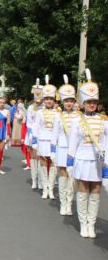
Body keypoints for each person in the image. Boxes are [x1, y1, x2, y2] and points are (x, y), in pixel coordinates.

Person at [68, 69, 107, 238]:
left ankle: (92, 223)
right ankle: (83, 223)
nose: (91, 104)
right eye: (88, 101)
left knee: (96, 191)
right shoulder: (77, 120)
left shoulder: (103, 121)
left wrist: (106, 167)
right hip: (82, 160)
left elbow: (106, 144)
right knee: (83, 190)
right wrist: (70, 162)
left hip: (97, 162)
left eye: (94, 101)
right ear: (83, 103)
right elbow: (73, 143)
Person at [50, 75, 80, 216]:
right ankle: (63, 203)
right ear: (62, 102)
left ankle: (69, 202)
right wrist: (53, 151)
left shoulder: (79, 117)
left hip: (75, 151)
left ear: (74, 102)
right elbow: (54, 135)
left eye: (71, 101)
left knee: (72, 177)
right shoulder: (58, 116)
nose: (69, 103)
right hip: (62, 149)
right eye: (66, 101)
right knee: (63, 175)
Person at [32, 75, 59, 199]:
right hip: (42, 140)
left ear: (54, 100)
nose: (49, 101)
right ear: (43, 100)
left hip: (54, 141)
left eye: (51, 99)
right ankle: (44, 188)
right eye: (47, 98)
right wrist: (34, 141)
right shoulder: (39, 112)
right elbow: (35, 127)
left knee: (53, 164)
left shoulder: (58, 113)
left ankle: (51, 188)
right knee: (43, 163)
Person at [26, 79, 44, 189]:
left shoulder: (45, 108)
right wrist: (32, 135)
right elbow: (29, 122)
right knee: (33, 157)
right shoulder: (31, 107)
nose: (38, 101)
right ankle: (34, 180)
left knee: (41, 158)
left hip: (42, 136)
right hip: (31, 134)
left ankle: (42, 181)